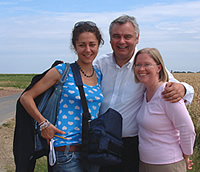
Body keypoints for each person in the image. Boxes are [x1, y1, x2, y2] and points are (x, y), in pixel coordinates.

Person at [93, 15, 194, 172]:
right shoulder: (100, 63)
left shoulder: (144, 65)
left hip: (131, 145)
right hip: (100, 142)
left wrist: (183, 88)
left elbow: (171, 85)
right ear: (110, 39)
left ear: (137, 38)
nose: (122, 41)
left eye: (127, 36)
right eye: (116, 36)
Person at [20, 21, 104, 172]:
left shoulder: (99, 75)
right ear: (74, 46)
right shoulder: (62, 71)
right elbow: (26, 97)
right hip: (66, 152)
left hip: (91, 150)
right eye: (82, 45)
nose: (87, 50)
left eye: (92, 44)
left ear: (99, 45)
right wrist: (43, 124)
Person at [133, 48, 196, 172]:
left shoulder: (167, 93)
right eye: (138, 65)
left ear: (159, 68)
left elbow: (187, 128)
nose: (141, 69)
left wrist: (185, 155)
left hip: (167, 164)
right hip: (145, 163)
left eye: (147, 64)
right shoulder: (145, 92)